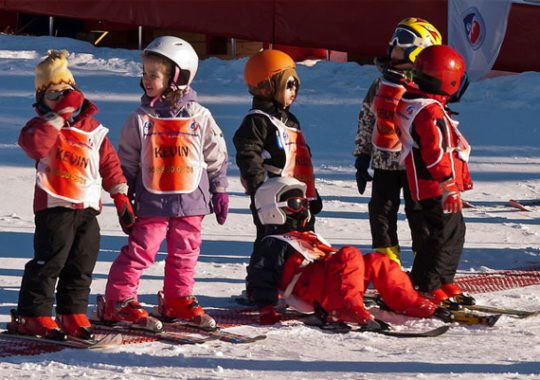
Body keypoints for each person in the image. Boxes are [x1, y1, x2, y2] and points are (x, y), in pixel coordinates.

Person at [98, 36, 229, 330]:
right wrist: (124, 197)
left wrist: (219, 189)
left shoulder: (199, 117)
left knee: (186, 252)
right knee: (142, 249)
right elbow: (127, 161)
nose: (146, 80)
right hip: (152, 199)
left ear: (177, 77)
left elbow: (216, 155)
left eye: (153, 74)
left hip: (192, 199)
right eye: (144, 73)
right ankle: (118, 299)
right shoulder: (141, 119)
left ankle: (177, 298)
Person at [8, 50, 133, 341]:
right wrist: (57, 116)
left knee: (82, 262)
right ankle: (33, 314)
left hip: (88, 207)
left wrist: (121, 196)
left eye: (66, 92)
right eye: (52, 94)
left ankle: (72, 312)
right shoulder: (41, 127)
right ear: (41, 101)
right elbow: (34, 146)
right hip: (55, 205)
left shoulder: (94, 131)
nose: (61, 98)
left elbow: (110, 164)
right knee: (50, 260)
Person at [246, 176, 443, 327]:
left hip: (330, 283)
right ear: (272, 209)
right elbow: (259, 276)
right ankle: (344, 309)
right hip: (307, 288)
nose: (303, 210)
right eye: (295, 204)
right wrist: (266, 307)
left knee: (377, 260)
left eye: (305, 204)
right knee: (349, 254)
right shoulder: (272, 243)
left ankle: (409, 303)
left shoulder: (309, 236)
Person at [352, 18, 442, 266]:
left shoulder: (423, 85)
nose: (393, 46)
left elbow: (437, 122)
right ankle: (387, 263)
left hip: (414, 164)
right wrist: (362, 155)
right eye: (393, 41)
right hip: (384, 162)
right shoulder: (380, 83)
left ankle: (424, 264)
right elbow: (367, 118)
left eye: (402, 42)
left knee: (418, 214)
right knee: (380, 213)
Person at [395, 44, 474, 304]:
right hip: (435, 185)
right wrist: (449, 183)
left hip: (427, 182)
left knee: (450, 232)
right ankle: (428, 284)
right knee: (444, 235)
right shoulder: (430, 110)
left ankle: (443, 280)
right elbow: (436, 152)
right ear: (447, 80)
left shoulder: (414, 101)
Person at [233, 49, 322, 249]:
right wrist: (258, 189)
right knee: (274, 247)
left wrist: (312, 193)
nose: (294, 90)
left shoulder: (290, 121)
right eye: (288, 84)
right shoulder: (258, 120)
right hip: (273, 202)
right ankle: (266, 279)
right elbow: (247, 153)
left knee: (306, 247)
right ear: (268, 86)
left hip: (299, 200)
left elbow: (300, 161)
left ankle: (301, 279)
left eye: (296, 84)